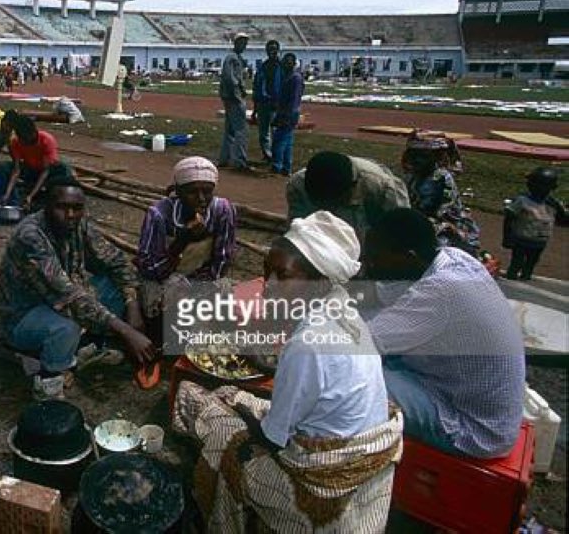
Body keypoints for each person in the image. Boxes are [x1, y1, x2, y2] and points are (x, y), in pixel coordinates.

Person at [174, 211, 401, 533]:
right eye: (266, 273)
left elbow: (273, 437)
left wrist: (241, 414)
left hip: (319, 481)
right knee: (235, 398)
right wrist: (253, 386)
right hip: (356, 451)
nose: (267, 286)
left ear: (319, 280)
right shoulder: (345, 311)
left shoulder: (307, 344)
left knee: (209, 414)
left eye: (282, 275)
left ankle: (221, 519)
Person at [362, 209, 525, 457]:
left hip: (471, 429)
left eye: (375, 258)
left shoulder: (440, 291)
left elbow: (359, 343)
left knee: (350, 375)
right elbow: (391, 296)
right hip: (471, 401)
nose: (368, 263)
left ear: (408, 257)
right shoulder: (453, 258)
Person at [0, 178, 156, 399]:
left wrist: (133, 305)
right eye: (62, 207)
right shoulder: (30, 236)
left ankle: (88, 347)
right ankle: (49, 382)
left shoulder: (79, 226)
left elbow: (117, 262)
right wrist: (127, 331)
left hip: (59, 302)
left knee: (116, 286)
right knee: (67, 325)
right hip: (22, 317)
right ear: (46, 206)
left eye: (77, 208)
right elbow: (68, 296)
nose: (70, 215)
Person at [136, 157, 237, 324]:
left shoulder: (222, 210)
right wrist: (182, 241)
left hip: (203, 278)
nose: (202, 198)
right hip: (163, 279)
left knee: (222, 292)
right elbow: (149, 269)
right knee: (164, 302)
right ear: (178, 191)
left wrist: (198, 288)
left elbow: (222, 259)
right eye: (192, 192)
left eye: (207, 191)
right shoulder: (159, 215)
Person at [287, 151, 409, 243]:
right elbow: (298, 230)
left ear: (352, 188)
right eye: (322, 204)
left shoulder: (380, 185)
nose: (330, 210)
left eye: (333, 204)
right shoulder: (298, 185)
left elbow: (401, 230)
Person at [402, 130, 480, 255]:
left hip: (444, 225)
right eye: (415, 155)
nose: (418, 160)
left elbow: (436, 209)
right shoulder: (413, 176)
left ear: (436, 156)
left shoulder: (441, 177)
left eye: (424, 156)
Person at [0, 113, 72, 210]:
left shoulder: (46, 140)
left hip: (47, 174)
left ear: (32, 133)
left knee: (63, 169)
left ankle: (43, 198)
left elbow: (45, 172)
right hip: (31, 170)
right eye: (21, 139)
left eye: (24, 139)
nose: (23, 142)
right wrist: (7, 194)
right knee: (3, 167)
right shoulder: (16, 142)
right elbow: (16, 170)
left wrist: (31, 196)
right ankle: (11, 197)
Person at [504, 167, 566, 280]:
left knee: (531, 262)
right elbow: (509, 218)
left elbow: (563, 219)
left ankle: (526, 275)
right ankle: (512, 275)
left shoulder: (553, 203)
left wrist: (562, 210)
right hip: (521, 239)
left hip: (540, 241)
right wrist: (507, 237)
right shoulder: (522, 200)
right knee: (517, 261)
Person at [218, 33, 251, 171]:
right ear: (236, 43)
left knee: (230, 130)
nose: (244, 46)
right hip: (234, 97)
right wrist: (238, 93)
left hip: (230, 96)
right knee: (241, 130)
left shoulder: (237, 58)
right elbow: (229, 77)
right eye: (242, 43)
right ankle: (240, 160)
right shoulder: (232, 58)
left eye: (245, 44)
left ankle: (225, 158)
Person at [270, 52, 303, 176]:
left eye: (289, 62)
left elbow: (294, 99)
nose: (286, 64)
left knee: (279, 140)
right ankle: (286, 167)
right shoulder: (287, 77)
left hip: (289, 113)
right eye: (285, 62)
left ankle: (277, 165)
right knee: (287, 140)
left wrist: (288, 115)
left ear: (294, 64)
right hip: (285, 111)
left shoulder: (295, 78)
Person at [251, 39, 282, 163]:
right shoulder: (263, 66)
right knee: (263, 133)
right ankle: (267, 155)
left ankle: (276, 155)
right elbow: (257, 86)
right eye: (269, 49)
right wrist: (255, 108)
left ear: (278, 50)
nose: (272, 51)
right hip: (263, 103)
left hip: (277, 104)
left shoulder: (282, 66)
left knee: (276, 132)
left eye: (274, 49)